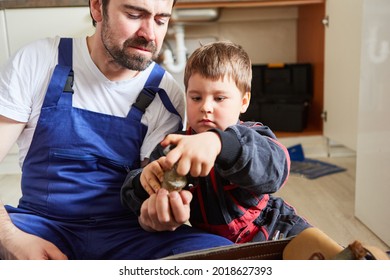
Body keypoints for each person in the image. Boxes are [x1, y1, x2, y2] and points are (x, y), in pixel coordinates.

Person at [0, 0, 233, 260]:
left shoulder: (166, 94)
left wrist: (158, 214)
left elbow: (145, 193)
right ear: (98, 8)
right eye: (134, 15)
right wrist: (12, 239)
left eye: (161, 20)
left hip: (126, 236)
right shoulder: (38, 60)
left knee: (222, 257)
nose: (149, 34)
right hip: (38, 227)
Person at [121, 41, 311, 243]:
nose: (206, 107)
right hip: (211, 242)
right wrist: (143, 183)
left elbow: (276, 168)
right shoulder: (173, 147)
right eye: (196, 98)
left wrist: (219, 143)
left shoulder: (252, 134)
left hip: (273, 228)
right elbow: (131, 198)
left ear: (244, 101)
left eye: (219, 98)